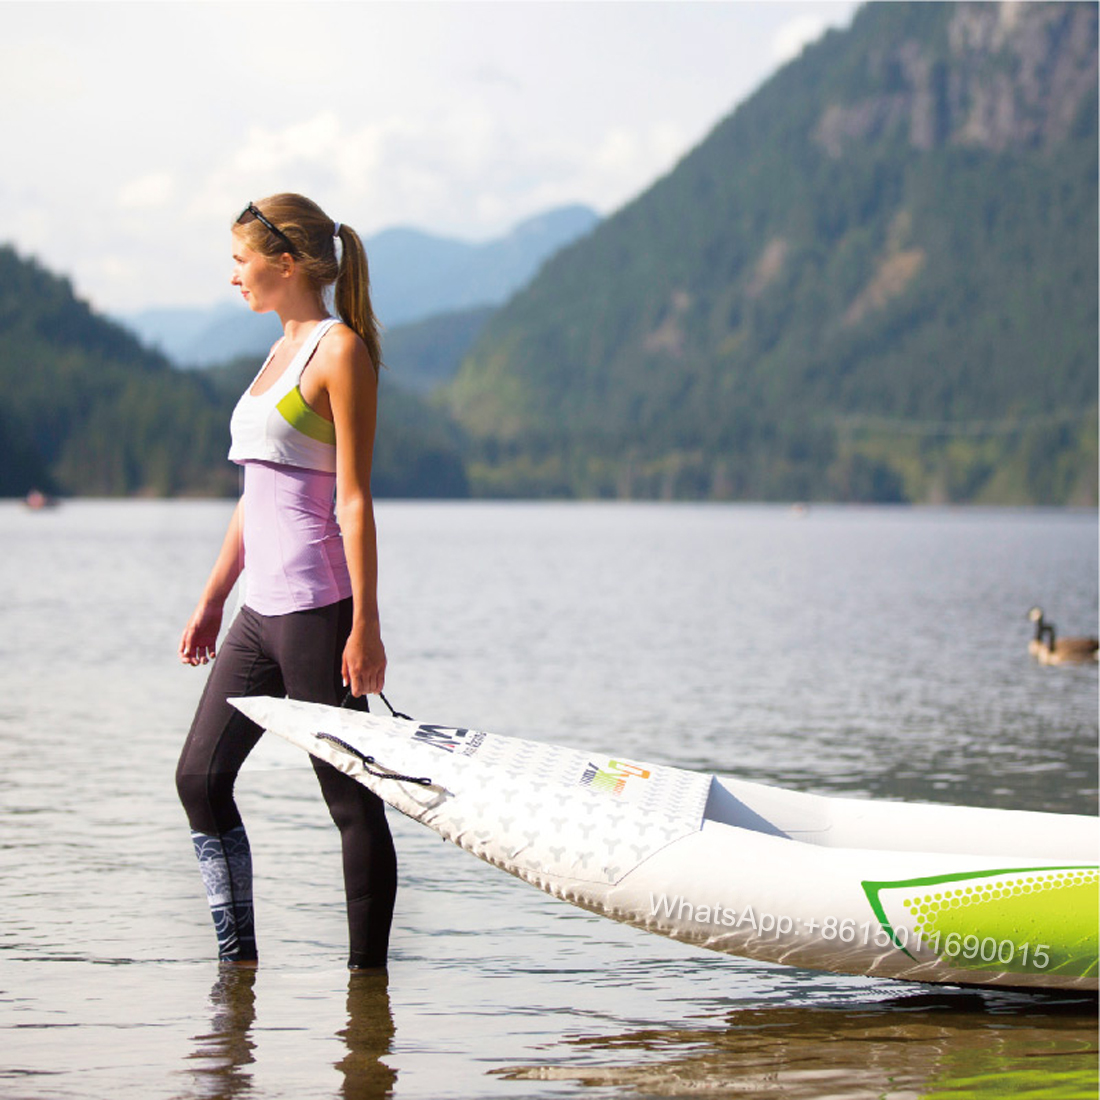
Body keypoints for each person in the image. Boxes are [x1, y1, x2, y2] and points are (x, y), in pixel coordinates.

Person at [176, 194, 397, 969]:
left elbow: (354, 499)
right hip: (256, 612)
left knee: (349, 801)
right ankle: (238, 964)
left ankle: (366, 989)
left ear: (287, 262)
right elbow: (255, 496)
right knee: (200, 778)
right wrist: (211, 600)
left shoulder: (339, 352)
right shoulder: (275, 352)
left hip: (316, 609)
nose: (233, 275)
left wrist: (364, 625)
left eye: (242, 260)